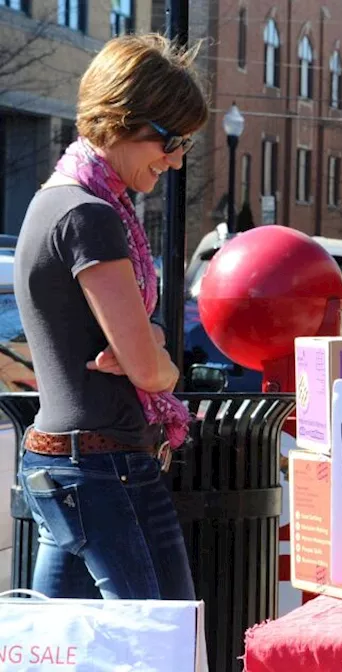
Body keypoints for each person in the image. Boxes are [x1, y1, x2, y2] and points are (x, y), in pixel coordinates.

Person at [14, 34, 206, 602]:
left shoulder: (52, 200)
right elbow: (149, 372)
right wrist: (162, 361)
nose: (174, 160)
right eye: (171, 141)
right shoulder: (90, 216)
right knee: (162, 646)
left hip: (69, 464)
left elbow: (132, 349)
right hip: (104, 468)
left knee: (63, 652)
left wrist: (145, 342)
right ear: (123, 119)